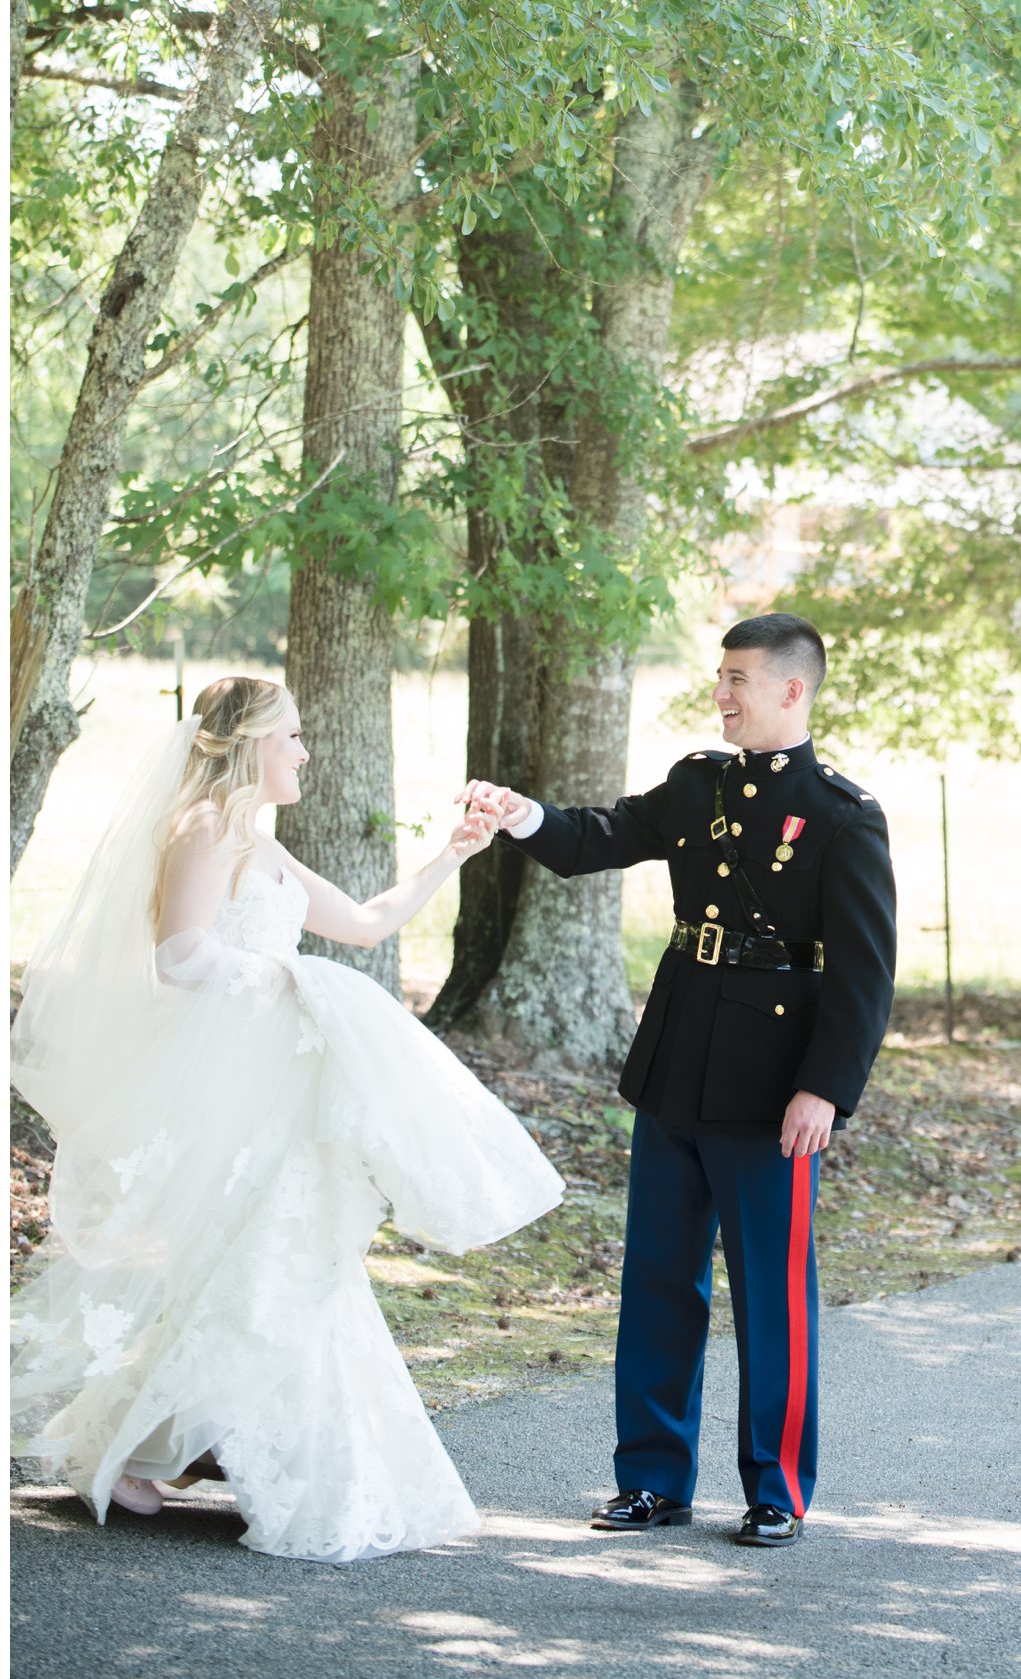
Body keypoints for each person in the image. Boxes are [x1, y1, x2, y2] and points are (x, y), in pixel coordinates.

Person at [11, 674, 562, 1563]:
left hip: (279, 1084)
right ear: (252, 745)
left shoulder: (260, 843)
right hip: (231, 1088)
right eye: (294, 737)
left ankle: (149, 1452)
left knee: (288, 1263)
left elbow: (364, 924)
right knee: (260, 1265)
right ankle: (150, 1452)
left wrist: (449, 858)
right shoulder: (200, 830)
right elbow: (181, 956)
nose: (305, 751)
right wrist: (287, 980)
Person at [463, 611, 896, 1546]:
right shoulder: (699, 784)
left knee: (771, 1297)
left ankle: (776, 1489)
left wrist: (825, 1089)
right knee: (659, 1280)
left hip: (774, 1088)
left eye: (738, 679)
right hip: (677, 1063)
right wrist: (521, 815)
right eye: (720, 676)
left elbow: (864, 975)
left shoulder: (840, 815)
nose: (721, 694)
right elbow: (601, 836)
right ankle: (653, 1479)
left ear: (792, 689)